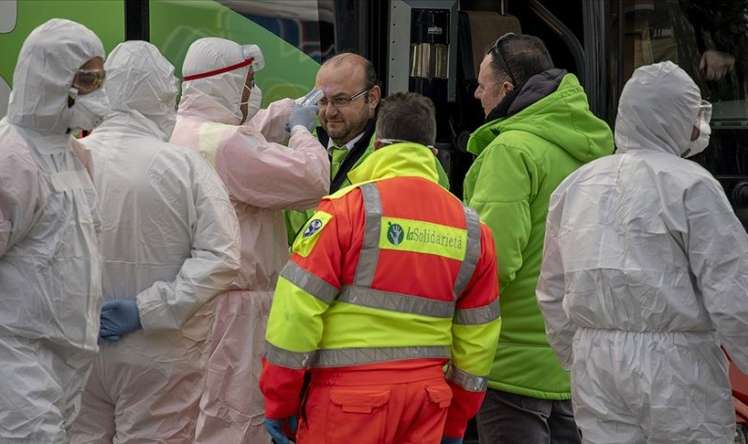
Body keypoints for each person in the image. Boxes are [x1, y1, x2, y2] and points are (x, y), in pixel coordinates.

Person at [260, 92, 501, 444]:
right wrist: (457, 417)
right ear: (432, 155)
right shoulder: (474, 231)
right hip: (427, 404)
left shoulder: (345, 212)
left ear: (378, 146)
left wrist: (280, 401)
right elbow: (478, 340)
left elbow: (295, 313)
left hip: (347, 403)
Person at [537, 60, 748, 443]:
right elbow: (733, 292)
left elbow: (552, 289)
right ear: (674, 118)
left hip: (596, 364)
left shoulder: (576, 186)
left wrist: (577, 351)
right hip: (678, 367)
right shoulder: (692, 187)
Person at [69, 41, 241, 443]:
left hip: (78, 345)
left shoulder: (69, 159)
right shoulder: (186, 168)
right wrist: (146, 310)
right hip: (159, 354)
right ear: (163, 97)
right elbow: (222, 258)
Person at [170, 37, 329, 444]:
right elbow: (312, 179)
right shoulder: (230, 146)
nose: (252, 92)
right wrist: (302, 132)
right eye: (247, 83)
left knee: (190, 415)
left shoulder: (179, 130)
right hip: (239, 312)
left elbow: (244, 136)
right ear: (225, 83)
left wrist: (283, 112)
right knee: (235, 418)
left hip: (193, 303)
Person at [463, 33, 614, 443]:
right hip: (576, 359)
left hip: (512, 367)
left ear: (506, 89)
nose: (476, 94)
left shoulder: (510, 152)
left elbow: (492, 262)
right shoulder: (597, 149)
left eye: (481, 83)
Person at [0, 18, 107, 442]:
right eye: (87, 78)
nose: (96, 89)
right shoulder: (12, 157)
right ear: (52, 78)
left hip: (70, 353)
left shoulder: (75, 155)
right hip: (17, 352)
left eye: (100, 77)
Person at [285, 53, 450, 241]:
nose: (329, 111)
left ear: (372, 98)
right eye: (322, 101)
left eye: (341, 100)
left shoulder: (406, 158)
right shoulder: (299, 151)